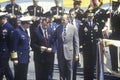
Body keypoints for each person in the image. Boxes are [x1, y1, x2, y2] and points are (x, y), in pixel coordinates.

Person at [52, 13, 79, 80]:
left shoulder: (73, 28)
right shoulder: (58, 28)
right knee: (61, 71)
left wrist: (76, 54)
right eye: (61, 20)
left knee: (70, 71)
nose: (62, 21)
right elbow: (53, 39)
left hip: (70, 53)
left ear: (68, 20)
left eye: (64, 20)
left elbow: (76, 42)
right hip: (60, 53)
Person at [80, 11, 105, 80]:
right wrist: (81, 48)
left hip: (94, 48)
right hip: (86, 48)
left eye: (92, 16)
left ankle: (91, 78)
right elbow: (81, 37)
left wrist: (100, 41)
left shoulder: (96, 24)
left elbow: (100, 35)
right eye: (89, 17)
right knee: (86, 65)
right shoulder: (83, 25)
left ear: (93, 17)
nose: (90, 18)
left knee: (93, 64)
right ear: (87, 17)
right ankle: (86, 78)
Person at [11, 16, 32, 80]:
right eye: (29, 24)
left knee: (23, 76)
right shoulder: (17, 31)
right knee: (18, 76)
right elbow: (14, 46)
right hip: (19, 58)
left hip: (25, 58)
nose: (30, 25)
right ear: (25, 23)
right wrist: (15, 58)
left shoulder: (25, 31)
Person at [69, 8, 82, 80]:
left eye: (73, 14)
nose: (71, 16)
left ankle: (74, 78)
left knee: (75, 64)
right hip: (69, 46)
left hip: (76, 45)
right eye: (70, 14)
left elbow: (81, 34)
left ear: (75, 15)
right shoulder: (67, 22)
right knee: (69, 64)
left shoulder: (79, 22)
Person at [0, 13, 14, 80]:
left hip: (6, 51)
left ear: (3, 19)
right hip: (1, 50)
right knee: (5, 67)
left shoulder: (9, 27)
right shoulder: (1, 26)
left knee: (2, 67)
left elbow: (12, 41)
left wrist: (12, 54)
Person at [108, 1, 120, 72]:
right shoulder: (110, 14)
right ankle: (114, 68)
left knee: (118, 53)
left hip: (118, 36)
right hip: (112, 36)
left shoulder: (119, 15)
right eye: (113, 6)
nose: (113, 7)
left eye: (115, 6)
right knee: (112, 52)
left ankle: (118, 68)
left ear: (117, 7)